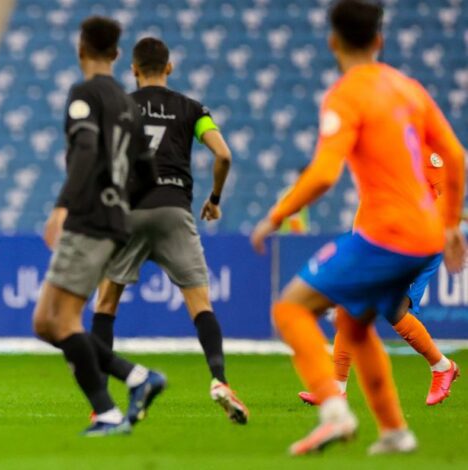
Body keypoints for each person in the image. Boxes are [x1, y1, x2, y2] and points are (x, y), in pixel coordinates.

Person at [250, 0, 466, 455]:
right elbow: (456, 156)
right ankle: (394, 431)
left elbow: (324, 174)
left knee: (290, 309)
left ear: (333, 42)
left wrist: (275, 215)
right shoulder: (408, 89)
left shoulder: (347, 94)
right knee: (353, 318)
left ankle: (334, 411)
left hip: (388, 232)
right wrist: (449, 226)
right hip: (424, 234)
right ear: (379, 41)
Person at [90, 37, 248, 424]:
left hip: (131, 208)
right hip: (175, 208)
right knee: (201, 304)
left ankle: (102, 403)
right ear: (170, 68)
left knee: (106, 302)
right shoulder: (192, 109)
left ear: (133, 69)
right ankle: (219, 381)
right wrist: (213, 197)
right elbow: (224, 154)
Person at [32, 16, 165, 437]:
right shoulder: (129, 103)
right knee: (44, 323)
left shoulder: (85, 93)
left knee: (65, 321)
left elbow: (87, 149)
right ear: (117, 53)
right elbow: (146, 174)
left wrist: (62, 207)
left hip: (88, 218)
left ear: (81, 48)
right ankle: (137, 376)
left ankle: (106, 412)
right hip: (112, 220)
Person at [298, 152, 459, 407]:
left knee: (394, 310)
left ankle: (442, 366)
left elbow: (446, 199)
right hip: (383, 244)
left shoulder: (428, 153)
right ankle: (336, 388)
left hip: (419, 245)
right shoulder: (390, 148)